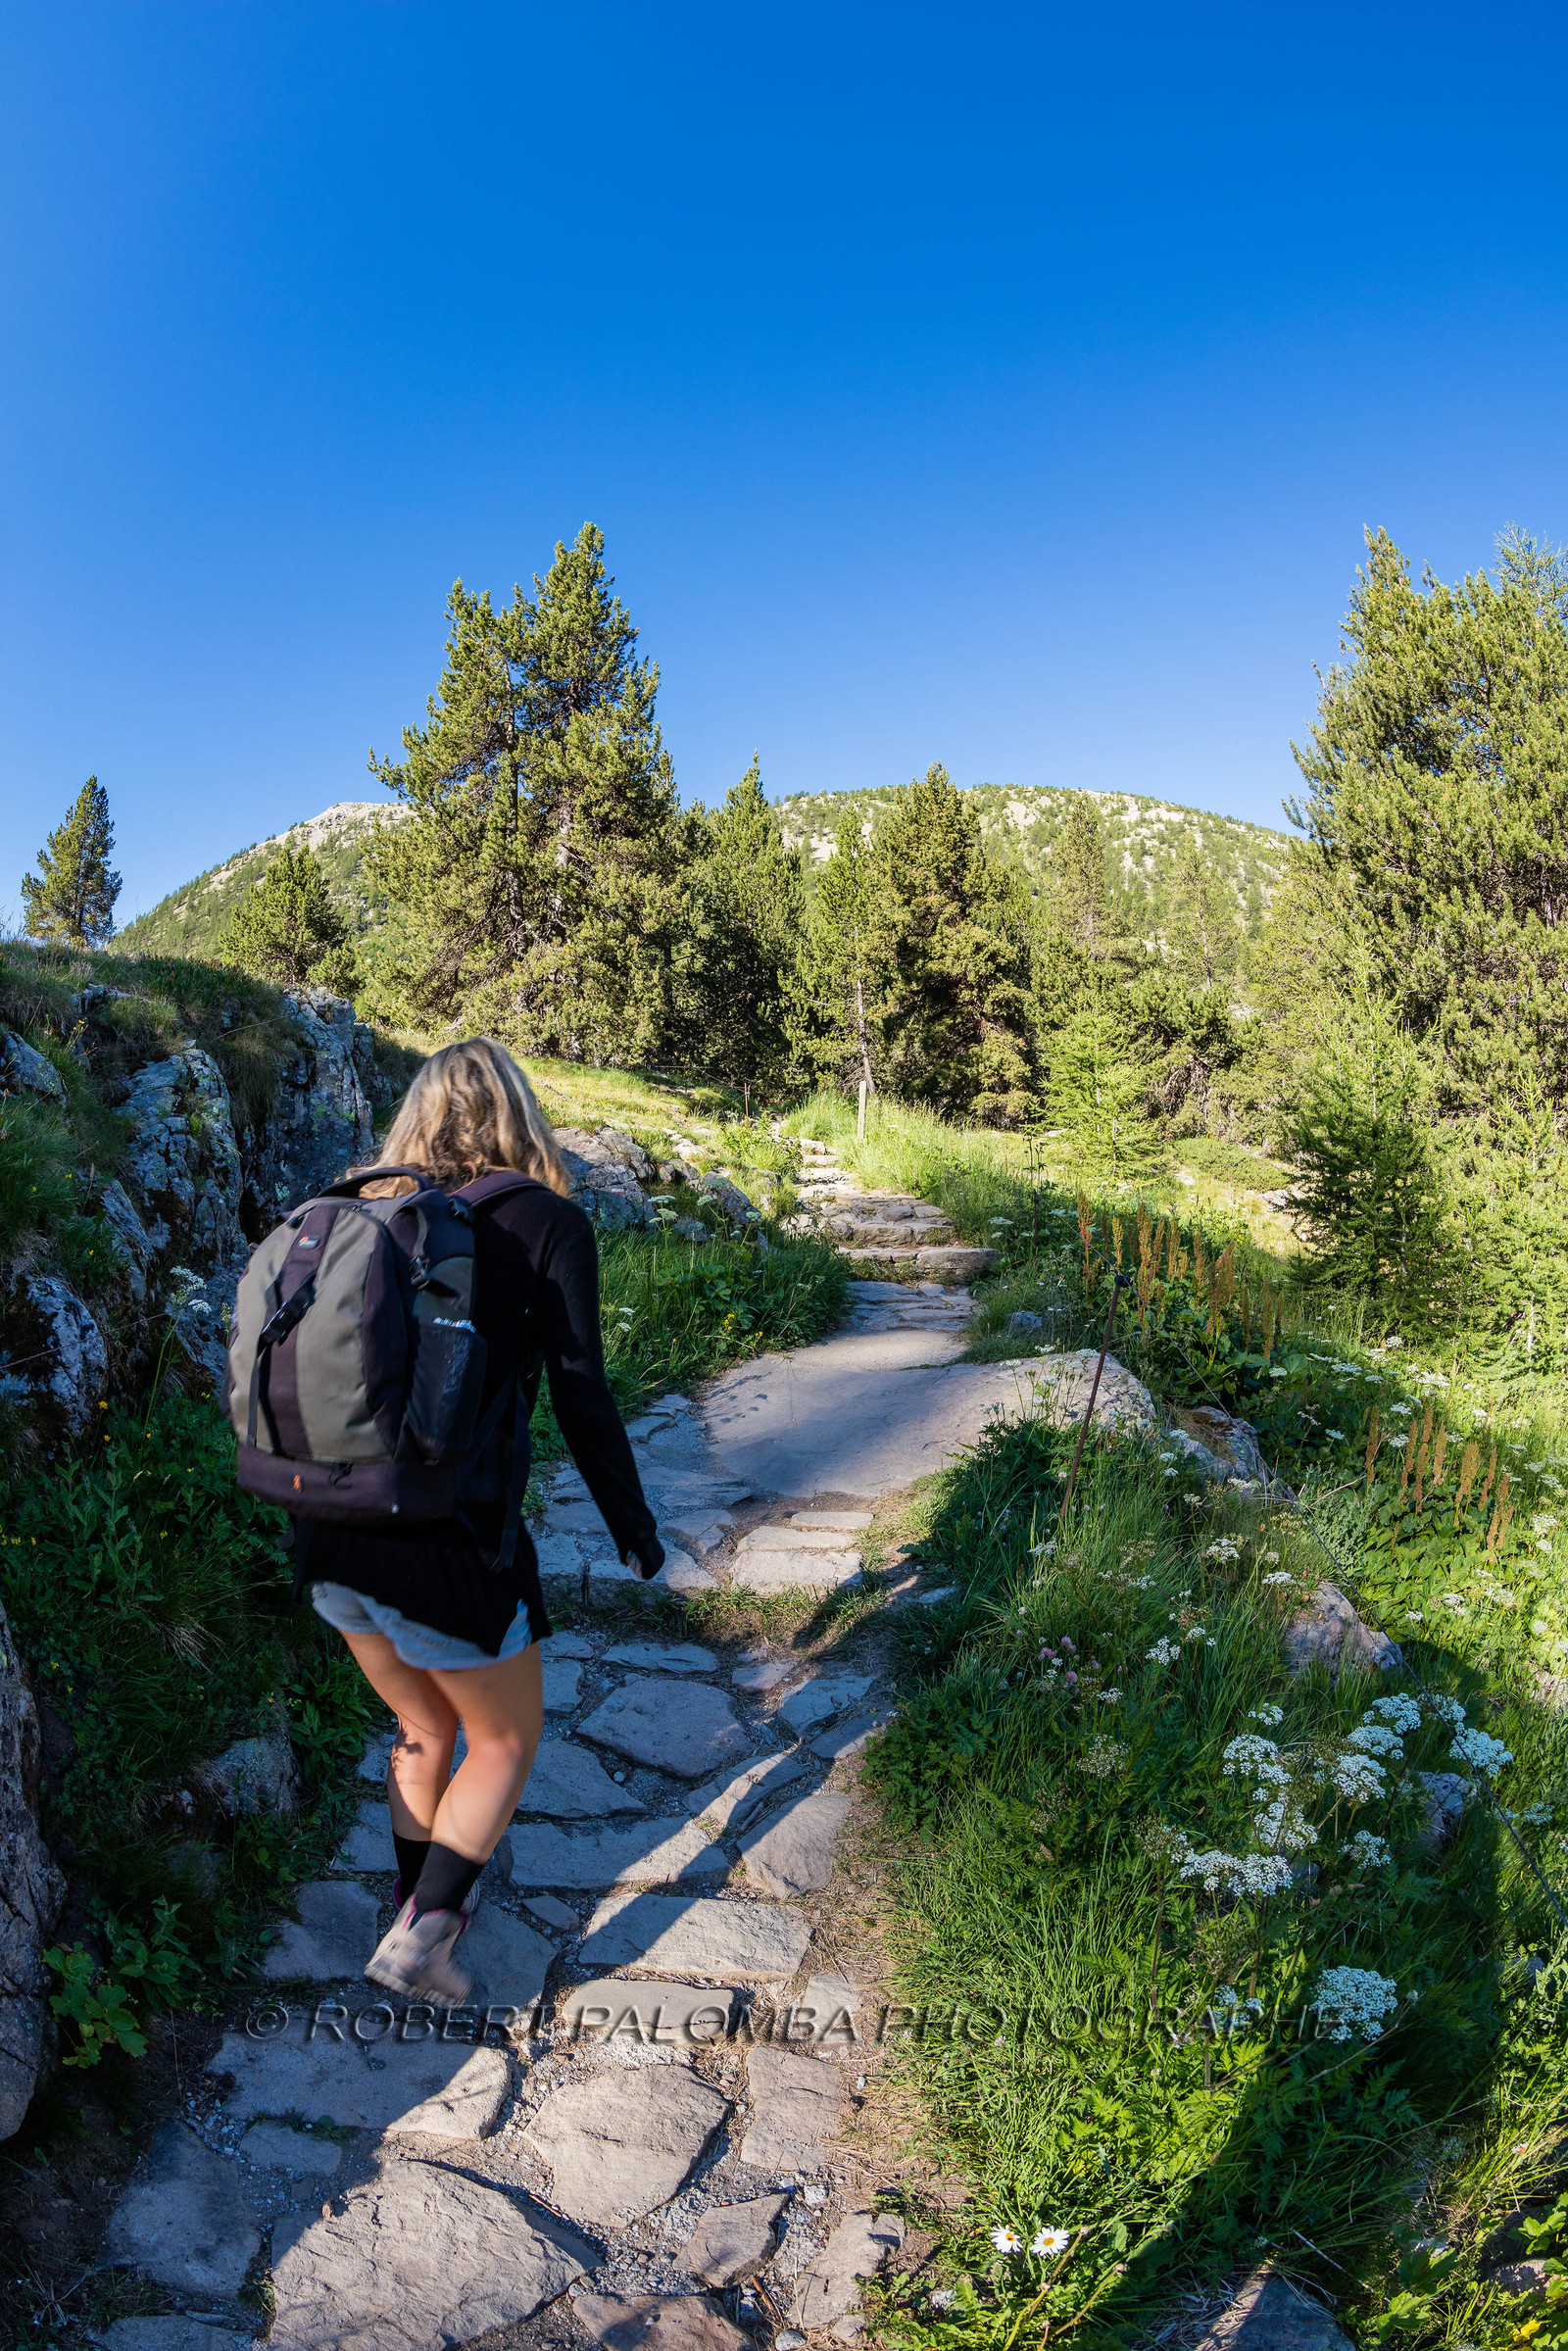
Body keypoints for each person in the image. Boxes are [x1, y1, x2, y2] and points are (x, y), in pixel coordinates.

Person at [294, 1036, 663, 2004]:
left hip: (327, 1529)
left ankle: (416, 1899)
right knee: (501, 1741)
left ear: (419, 1113)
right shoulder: (545, 1221)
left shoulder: (361, 1203)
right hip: (448, 1544)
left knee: (421, 1727)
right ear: (518, 1112)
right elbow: (580, 1390)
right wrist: (631, 1522)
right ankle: (424, 1937)